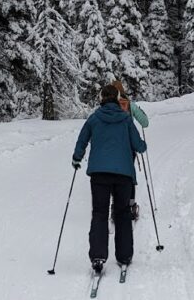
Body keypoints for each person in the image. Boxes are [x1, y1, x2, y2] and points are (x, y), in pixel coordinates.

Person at [72, 84, 147, 273]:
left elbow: (82, 140)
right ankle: (124, 255)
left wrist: (76, 158)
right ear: (117, 98)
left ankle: (98, 256)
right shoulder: (125, 119)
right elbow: (138, 145)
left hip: (99, 174)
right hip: (123, 174)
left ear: (101, 98)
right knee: (122, 213)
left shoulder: (94, 118)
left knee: (99, 213)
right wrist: (142, 145)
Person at [111, 80, 148, 221]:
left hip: (111, 147)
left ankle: (115, 207)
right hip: (128, 147)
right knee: (128, 175)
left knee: (113, 175)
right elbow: (145, 123)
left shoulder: (105, 107)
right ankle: (131, 206)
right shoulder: (130, 105)